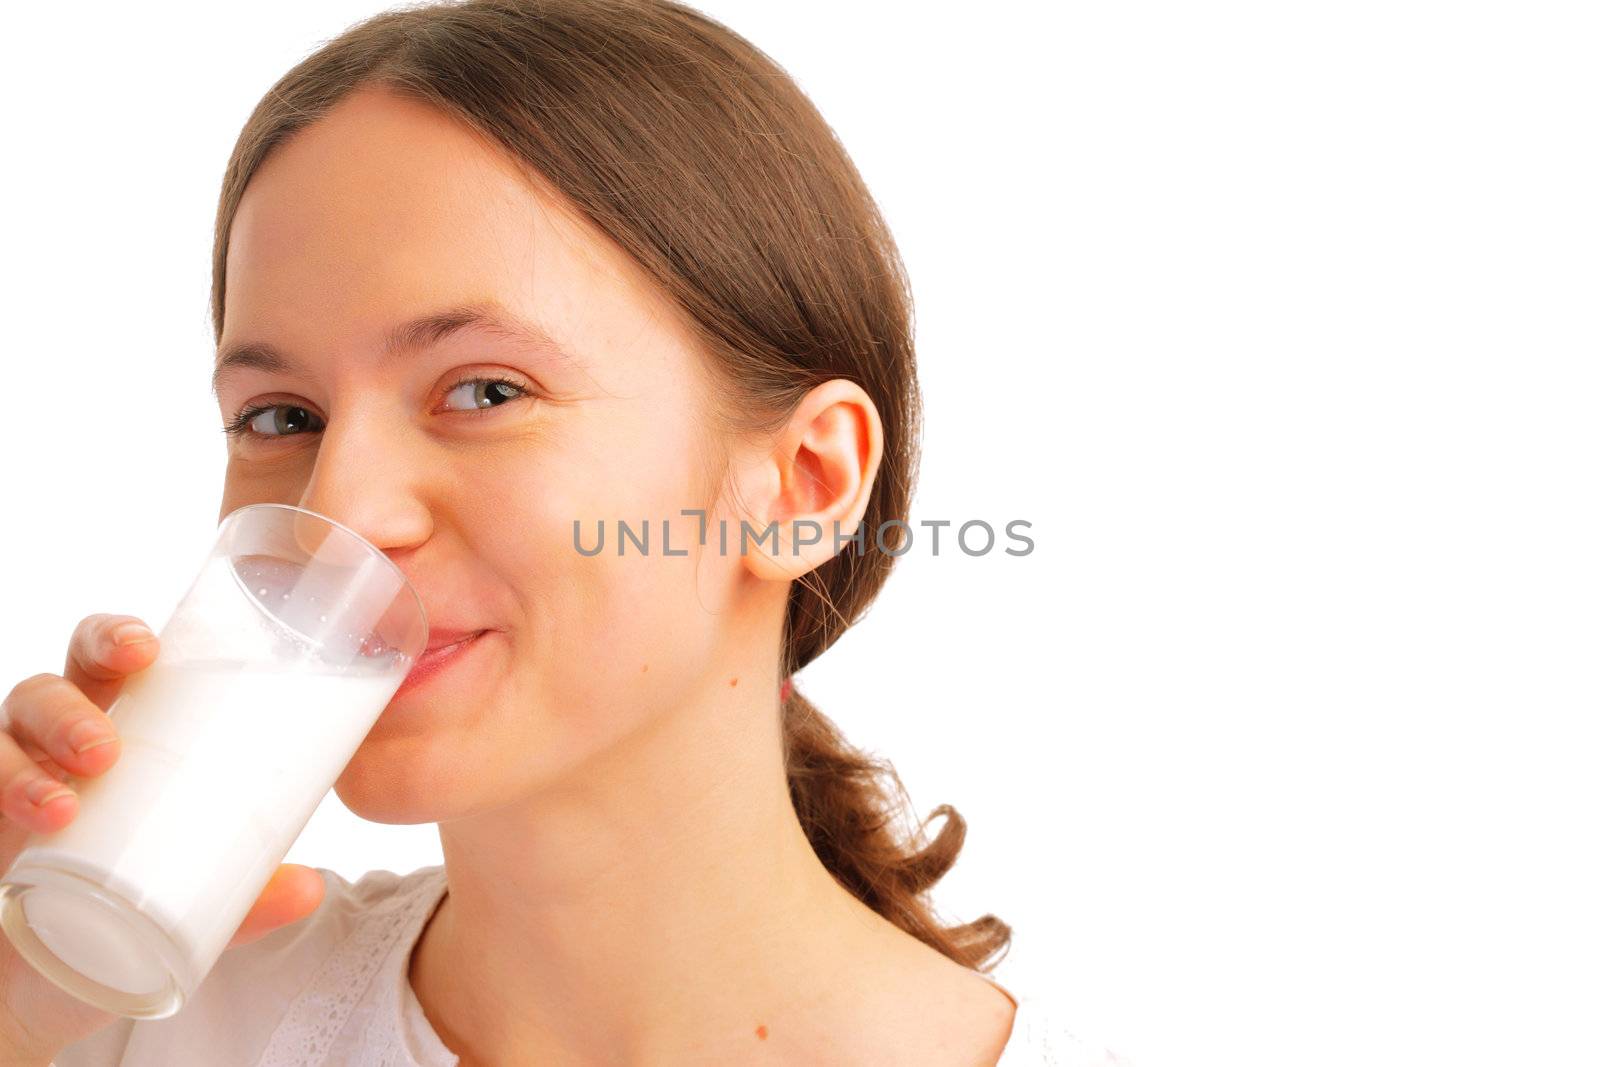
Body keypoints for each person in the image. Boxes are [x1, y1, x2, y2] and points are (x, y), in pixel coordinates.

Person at [0, 2, 1122, 1063]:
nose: (338, 513)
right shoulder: (131, 1025)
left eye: (484, 391)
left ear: (801, 483)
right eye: (280, 417)